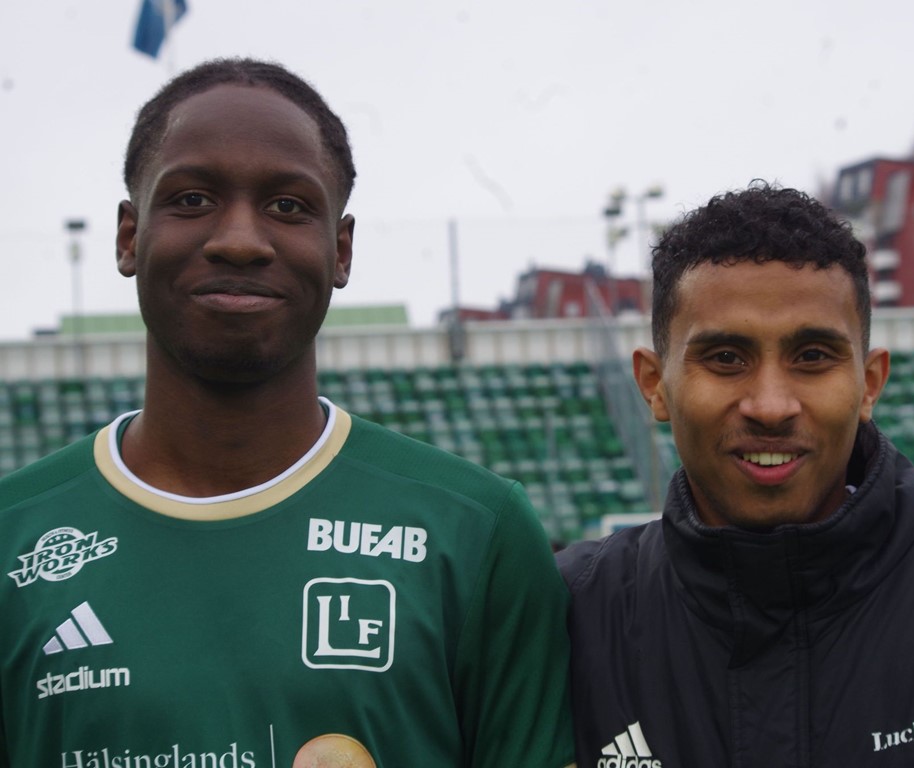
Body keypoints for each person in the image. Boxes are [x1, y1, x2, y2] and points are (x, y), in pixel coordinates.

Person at [0, 58, 575, 768]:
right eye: (190, 199)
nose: (239, 239)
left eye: (288, 207)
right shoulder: (11, 534)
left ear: (340, 249)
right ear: (127, 236)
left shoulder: (475, 533)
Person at [557, 182, 914, 767]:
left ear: (869, 383)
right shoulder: (573, 611)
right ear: (654, 384)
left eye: (813, 357)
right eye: (726, 358)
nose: (771, 405)